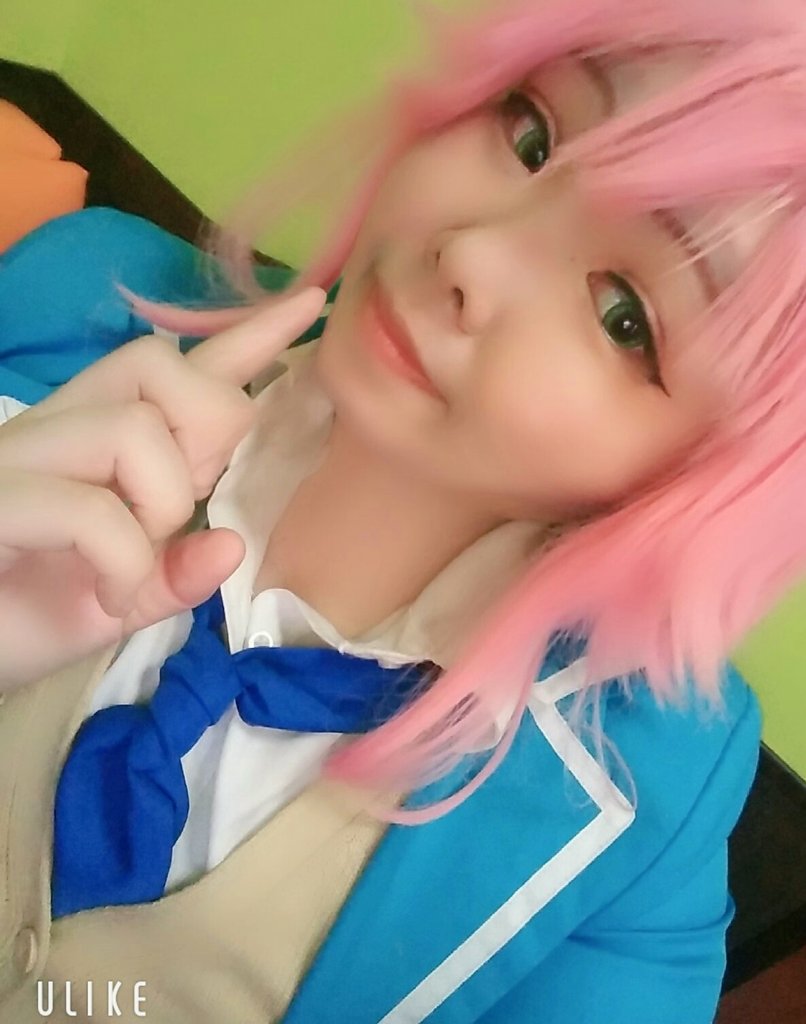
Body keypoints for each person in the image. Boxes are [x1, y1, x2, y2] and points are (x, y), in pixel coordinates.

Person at [5, 0, 806, 1017]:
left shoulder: (647, 792)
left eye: (621, 316)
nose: (472, 254)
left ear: (712, 471)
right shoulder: (74, 296)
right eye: (530, 134)